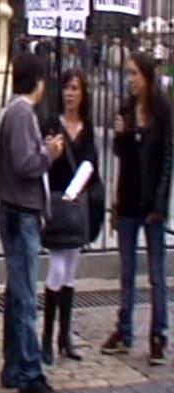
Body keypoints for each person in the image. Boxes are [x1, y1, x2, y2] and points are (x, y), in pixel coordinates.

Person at [0, 52, 63, 393]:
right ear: (38, 81)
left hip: (18, 212)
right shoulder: (21, 113)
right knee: (24, 299)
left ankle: (13, 366)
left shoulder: (16, 111)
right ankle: (29, 376)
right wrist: (48, 154)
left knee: (17, 294)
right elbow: (24, 163)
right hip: (21, 214)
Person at [101, 52, 172, 365]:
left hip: (152, 205)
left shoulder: (162, 111)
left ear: (146, 76)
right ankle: (124, 331)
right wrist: (121, 134)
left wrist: (160, 202)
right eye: (127, 74)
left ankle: (158, 335)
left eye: (133, 74)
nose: (129, 79)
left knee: (156, 273)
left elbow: (168, 160)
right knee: (127, 271)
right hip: (128, 201)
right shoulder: (126, 110)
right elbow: (121, 156)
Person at [40, 69, 99, 365]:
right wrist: (51, 152)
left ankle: (65, 336)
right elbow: (44, 164)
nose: (70, 93)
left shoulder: (87, 128)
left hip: (78, 205)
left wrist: (83, 185)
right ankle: (47, 337)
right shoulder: (53, 124)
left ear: (83, 93)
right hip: (57, 201)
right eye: (66, 88)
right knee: (57, 267)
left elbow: (93, 166)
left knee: (71, 269)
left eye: (75, 88)